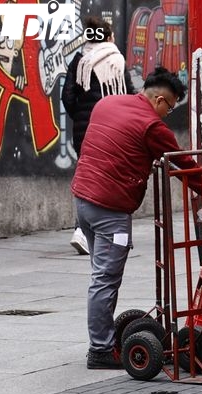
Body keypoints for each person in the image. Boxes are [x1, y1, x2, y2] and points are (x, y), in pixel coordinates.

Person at [72, 67, 202, 369]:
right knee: (105, 279)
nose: (167, 114)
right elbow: (184, 166)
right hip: (111, 210)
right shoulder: (151, 126)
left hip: (83, 201)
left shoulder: (106, 104)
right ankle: (100, 350)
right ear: (159, 99)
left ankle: (103, 338)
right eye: (169, 108)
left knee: (100, 275)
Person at [62, 16, 135, 255]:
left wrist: (82, 119)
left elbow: (67, 96)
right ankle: (112, 232)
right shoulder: (116, 60)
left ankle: (82, 230)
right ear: (109, 36)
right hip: (115, 130)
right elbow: (128, 93)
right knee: (113, 177)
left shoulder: (79, 60)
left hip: (85, 131)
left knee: (86, 178)